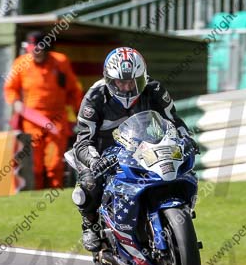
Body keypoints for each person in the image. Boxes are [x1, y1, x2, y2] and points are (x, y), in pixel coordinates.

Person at [71, 46, 198, 251]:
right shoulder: (94, 98)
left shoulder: (154, 90)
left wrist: (187, 139)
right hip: (101, 150)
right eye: (120, 82)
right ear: (109, 80)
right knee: (90, 182)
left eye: (133, 81)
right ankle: (90, 225)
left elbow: (174, 120)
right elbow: (84, 141)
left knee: (176, 171)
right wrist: (95, 161)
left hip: (139, 145)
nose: (127, 87)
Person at [4, 30, 83, 189]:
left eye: (40, 49)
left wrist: (79, 115)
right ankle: (36, 195)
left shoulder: (60, 62)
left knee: (54, 164)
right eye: (33, 49)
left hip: (57, 120)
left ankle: (55, 194)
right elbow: (10, 88)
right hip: (32, 121)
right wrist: (16, 102)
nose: (36, 53)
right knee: (35, 166)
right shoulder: (20, 63)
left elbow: (74, 90)